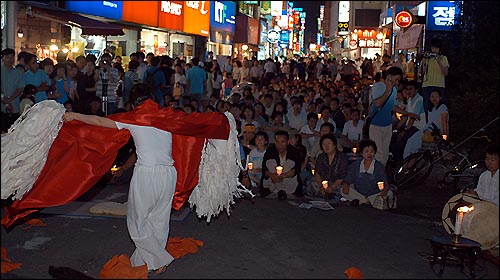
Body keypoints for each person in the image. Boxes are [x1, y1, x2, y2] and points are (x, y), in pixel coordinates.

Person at [60, 84, 231, 275]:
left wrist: (75, 116)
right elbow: (195, 122)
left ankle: (159, 259)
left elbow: (99, 122)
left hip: (147, 173)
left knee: (137, 222)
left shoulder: (135, 118)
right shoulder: (167, 116)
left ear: (133, 101)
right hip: (168, 173)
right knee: (158, 219)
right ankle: (144, 262)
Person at [368, 66, 420, 166]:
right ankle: (379, 176)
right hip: (376, 125)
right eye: (396, 79)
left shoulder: (394, 90)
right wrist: (388, 89)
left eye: (398, 80)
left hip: (387, 125)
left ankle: (381, 175)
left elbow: (392, 107)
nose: (397, 82)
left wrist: (408, 114)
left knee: (385, 154)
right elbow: (378, 103)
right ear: (389, 76)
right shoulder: (378, 86)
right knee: (378, 153)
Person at [340, 139, 391, 207]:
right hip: (358, 192)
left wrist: (384, 189)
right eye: (367, 151)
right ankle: (367, 201)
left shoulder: (379, 166)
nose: (369, 154)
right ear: (361, 153)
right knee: (342, 189)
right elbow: (348, 179)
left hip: (373, 193)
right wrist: (345, 185)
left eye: (372, 151)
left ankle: (361, 201)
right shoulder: (356, 165)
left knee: (389, 193)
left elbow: (385, 183)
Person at [260, 130, 303, 199]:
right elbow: (264, 168)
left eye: (283, 142)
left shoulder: (294, 152)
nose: (280, 145)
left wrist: (282, 176)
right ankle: (273, 189)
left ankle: (277, 189)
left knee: (290, 163)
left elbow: (296, 169)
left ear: (288, 142)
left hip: (287, 178)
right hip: (273, 177)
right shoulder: (270, 151)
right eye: (277, 142)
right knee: (271, 162)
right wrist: (272, 175)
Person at [304, 133, 348, 200]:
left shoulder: (342, 157)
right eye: (324, 144)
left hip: (336, 183)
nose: (326, 146)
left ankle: (331, 195)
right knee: (310, 181)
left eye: (329, 144)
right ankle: (322, 194)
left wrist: (332, 187)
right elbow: (317, 173)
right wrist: (320, 185)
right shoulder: (321, 157)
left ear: (334, 145)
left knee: (343, 189)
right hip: (323, 182)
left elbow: (342, 176)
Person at [421, 38, 449, 111]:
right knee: (427, 106)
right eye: (433, 48)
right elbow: (422, 72)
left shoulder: (443, 58)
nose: (434, 50)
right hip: (427, 85)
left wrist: (438, 61)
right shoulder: (428, 58)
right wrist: (424, 62)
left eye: (436, 48)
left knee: (439, 107)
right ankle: (427, 121)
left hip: (439, 85)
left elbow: (445, 72)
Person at [1, 48, 25, 132]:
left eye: (12, 57)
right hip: (2, 106)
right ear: (3, 58)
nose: (10, 60)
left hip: (14, 105)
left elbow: (20, 88)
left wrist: (10, 100)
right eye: (7, 57)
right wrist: (4, 99)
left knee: (12, 131)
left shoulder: (18, 72)